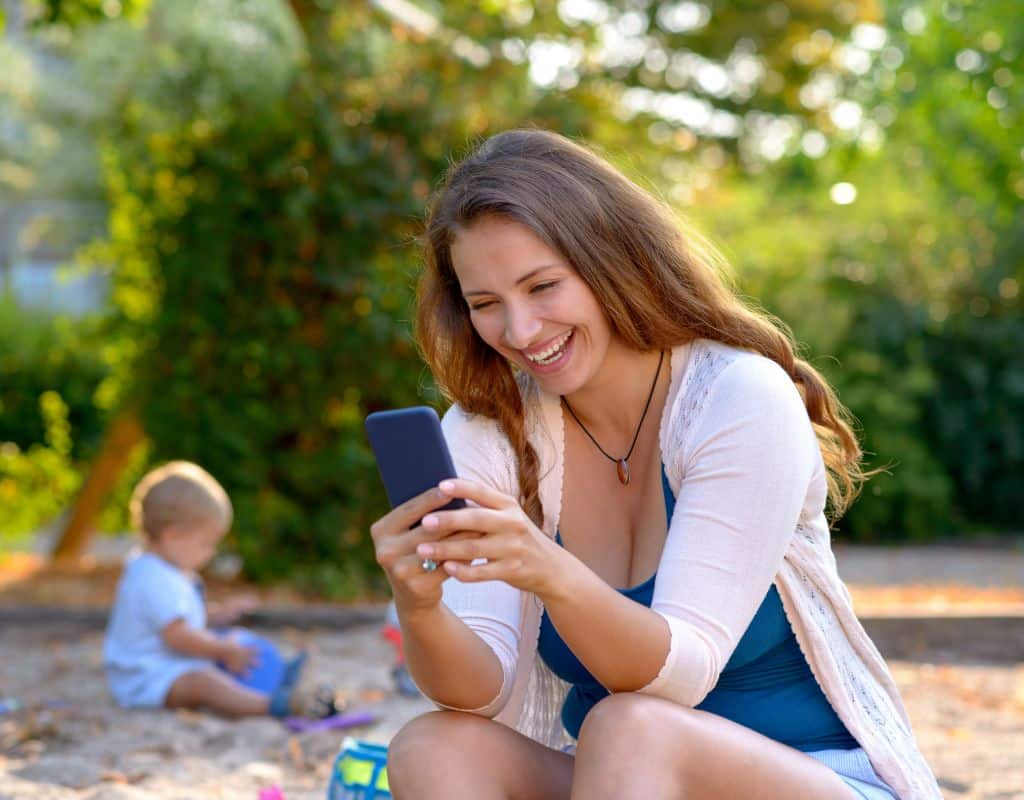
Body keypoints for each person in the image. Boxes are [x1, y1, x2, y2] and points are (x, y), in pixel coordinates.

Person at [371, 130, 941, 799]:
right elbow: (478, 694)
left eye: (543, 286)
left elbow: (678, 676)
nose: (522, 332)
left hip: (815, 778)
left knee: (630, 726)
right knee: (435, 747)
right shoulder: (490, 429)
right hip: (620, 783)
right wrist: (422, 603)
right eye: (486, 305)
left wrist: (549, 571)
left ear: (611, 260)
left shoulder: (736, 396)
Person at [102, 460, 313, 717]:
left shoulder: (170, 571)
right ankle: (268, 705)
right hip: (147, 677)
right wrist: (222, 650)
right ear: (172, 535)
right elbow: (178, 635)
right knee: (204, 681)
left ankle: (276, 672)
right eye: (205, 543)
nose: (210, 553)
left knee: (230, 637)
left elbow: (184, 621)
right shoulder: (153, 578)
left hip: (169, 664)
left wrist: (219, 615)